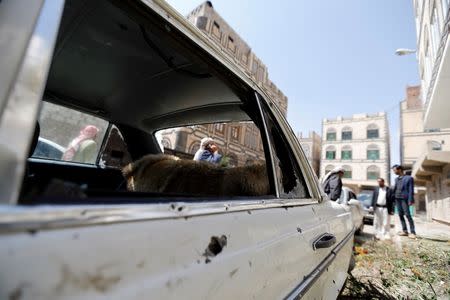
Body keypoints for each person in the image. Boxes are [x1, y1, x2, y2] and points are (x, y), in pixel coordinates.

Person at [391, 164, 416, 239]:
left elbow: (411, 190)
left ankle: (412, 232)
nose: (394, 172)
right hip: (397, 199)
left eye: (395, 170)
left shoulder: (409, 178)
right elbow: (395, 189)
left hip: (404, 199)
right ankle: (405, 231)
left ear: (399, 170)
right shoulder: (396, 179)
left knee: (408, 215)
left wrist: (410, 200)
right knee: (400, 215)